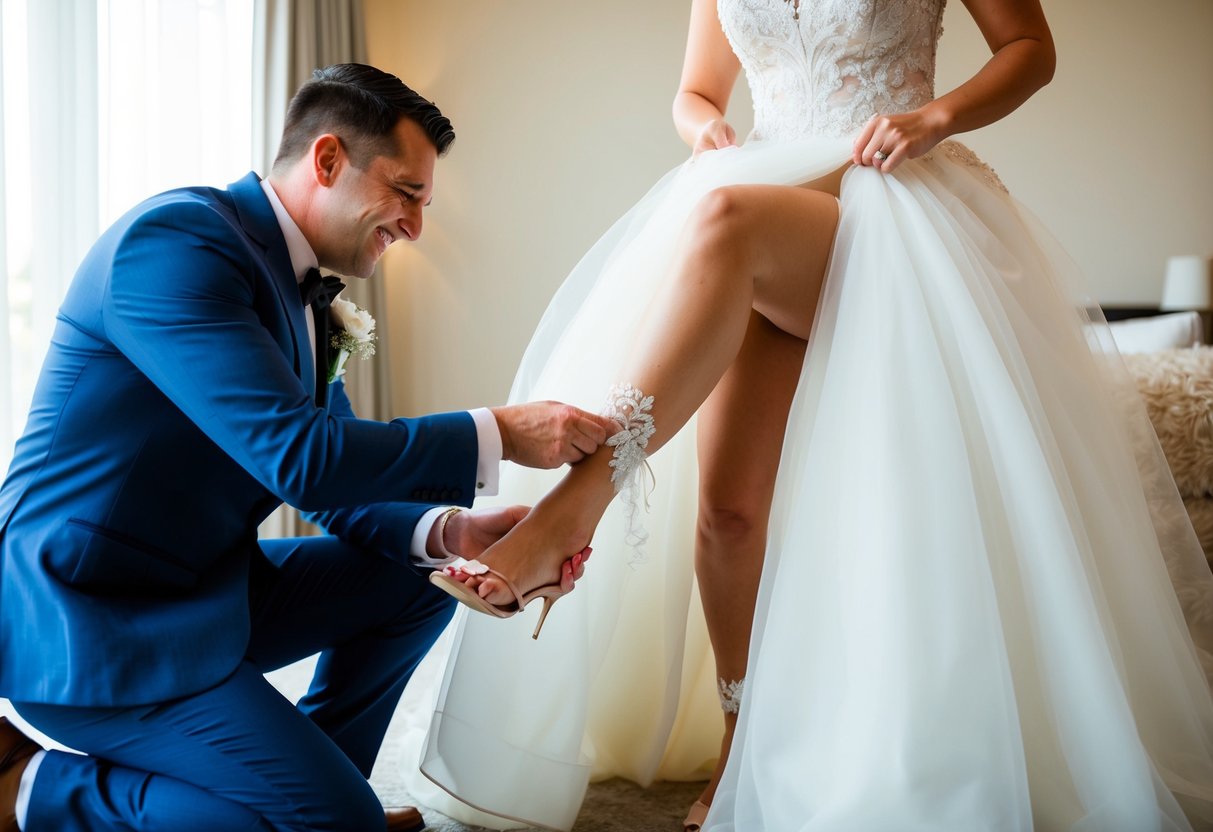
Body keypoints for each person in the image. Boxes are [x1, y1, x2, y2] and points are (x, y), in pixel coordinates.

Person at [411, 2, 1213, 830]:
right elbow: (693, 89)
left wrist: (933, 117)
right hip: (762, 193)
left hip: (886, 195)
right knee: (726, 514)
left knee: (723, 222)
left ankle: (566, 515)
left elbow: (1028, 49)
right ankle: (736, 739)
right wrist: (707, 128)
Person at [0, 63, 612, 832]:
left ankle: (316, 793)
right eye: (406, 193)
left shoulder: (302, 290)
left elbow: (328, 485)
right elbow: (298, 455)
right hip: (90, 621)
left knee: (421, 577)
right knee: (332, 821)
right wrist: (499, 431)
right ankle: (34, 791)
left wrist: (449, 533)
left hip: (203, 592)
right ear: (327, 161)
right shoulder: (175, 243)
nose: (415, 227)